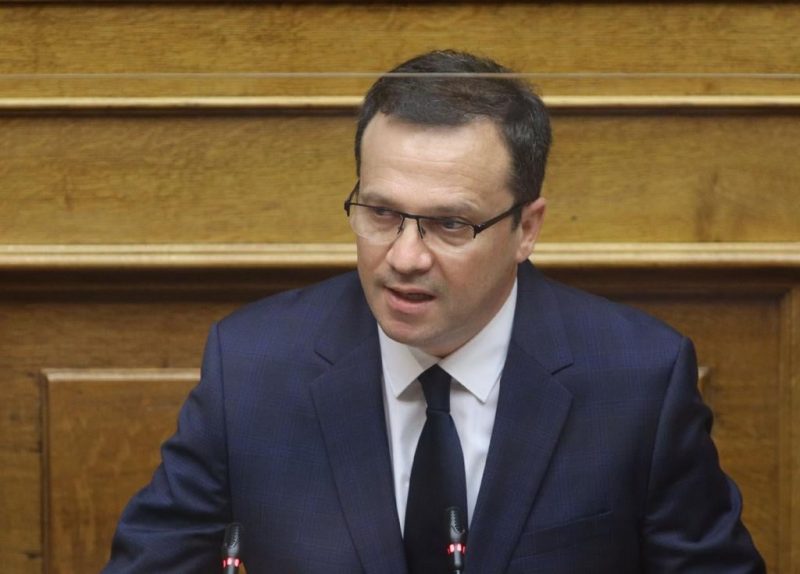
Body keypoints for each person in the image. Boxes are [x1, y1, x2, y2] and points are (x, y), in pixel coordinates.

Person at [104, 50, 765, 573]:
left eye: (450, 224)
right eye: (381, 213)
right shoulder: (252, 367)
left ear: (527, 229)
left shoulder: (639, 380)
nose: (404, 257)